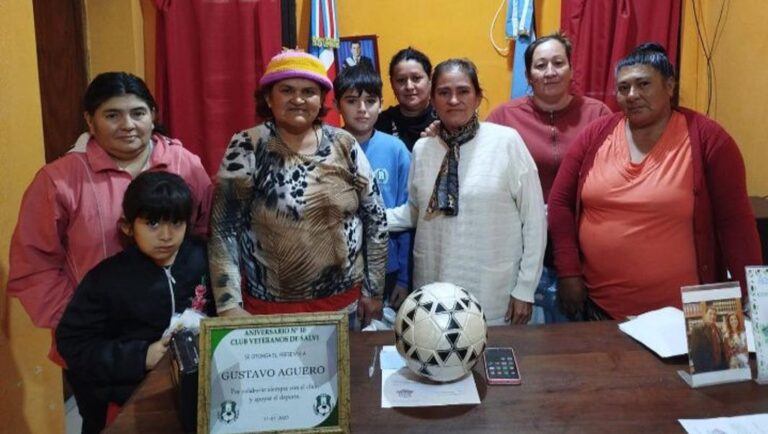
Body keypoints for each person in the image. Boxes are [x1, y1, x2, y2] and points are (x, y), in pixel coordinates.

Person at [7, 72, 212, 364]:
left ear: (152, 115)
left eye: (138, 113)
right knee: (105, 411)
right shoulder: (59, 180)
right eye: (112, 115)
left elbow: (205, 237)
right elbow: (34, 266)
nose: (127, 125)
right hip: (99, 347)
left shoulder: (185, 164)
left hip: (178, 340)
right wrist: (82, 318)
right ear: (90, 121)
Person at [548, 43, 762, 321]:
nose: (632, 95)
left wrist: (754, 300)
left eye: (644, 84)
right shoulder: (596, 135)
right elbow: (560, 202)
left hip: (690, 318)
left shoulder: (708, 140)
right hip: (600, 312)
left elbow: (735, 224)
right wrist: (568, 272)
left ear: (669, 86)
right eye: (623, 88)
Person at [208, 50, 388, 328]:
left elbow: (375, 219)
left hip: (344, 307)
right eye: (287, 90)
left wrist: (374, 291)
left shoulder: (345, 144)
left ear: (321, 99)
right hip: (269, 310)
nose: (299, 99)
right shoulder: (248, 146)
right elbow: (223, 229)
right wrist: (229, 303)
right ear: (269, 98)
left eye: (309, 91)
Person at [386, 58, 546, 325]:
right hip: (433, 284)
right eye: (444, 92)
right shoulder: (423, 150)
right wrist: (366, 217)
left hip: (493, 293)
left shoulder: (506, 142)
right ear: (433, 100)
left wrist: (525, 289)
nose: (453, 100)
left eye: (463, 91)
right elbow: (415, 212)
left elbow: (534, 222)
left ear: (478, 97)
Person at [56, 171, 212, 434]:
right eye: (152, 223)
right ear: (127, 226)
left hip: (199, 393)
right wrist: (141, 356)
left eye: (176, 223)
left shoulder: (203, 258)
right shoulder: (106, 279)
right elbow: (73, 344)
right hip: (131, 397)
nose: (165, 235)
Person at [486, 33, 612, 323]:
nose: (550, 72)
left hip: (582, 253)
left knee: (575, 344)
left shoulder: (599, 115)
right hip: (520, 253)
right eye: (540, 65)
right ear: (528, 75)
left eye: (558, 63)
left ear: (571, 69)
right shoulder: (504, 118)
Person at [333, 65, 412, 308]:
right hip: (337, 268)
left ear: (381, 103)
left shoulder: (396, 149)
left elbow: (408, 214)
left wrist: (404, 277)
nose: (362, 109)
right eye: (352, 101)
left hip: (387, 269)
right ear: (337, 105)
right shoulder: (326, 148)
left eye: (370, 101)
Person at [375, 47, 438, 151]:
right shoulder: (379, 124)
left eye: (416, 78)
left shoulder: (444, 120)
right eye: (401, 80)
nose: (409, 86)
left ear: (430, 79)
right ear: (392, 84)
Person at [688, 306, 728, 373]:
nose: (713, 316)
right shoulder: (697, 329)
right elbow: (695, 354)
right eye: (710, 313)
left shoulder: (718, 329)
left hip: (720, 368)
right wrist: (700, 373)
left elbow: (721, 349)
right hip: (707, 369)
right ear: (705, 315)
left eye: (715, 314)